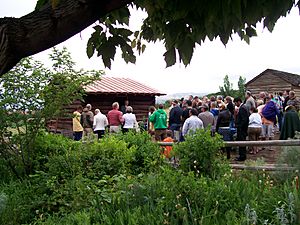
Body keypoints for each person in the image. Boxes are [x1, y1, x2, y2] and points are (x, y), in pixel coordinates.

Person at [234, 97, 249, 161]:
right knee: (242, 142)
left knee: (241, 142)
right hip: (243, 128)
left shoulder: (242, 108)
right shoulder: (243, 107)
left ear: (238, 102)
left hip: (242, 129)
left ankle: (242, 156)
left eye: (235, 103)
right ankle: (242, 155)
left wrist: (239, 126)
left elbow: (244, 120)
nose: (235, 104)